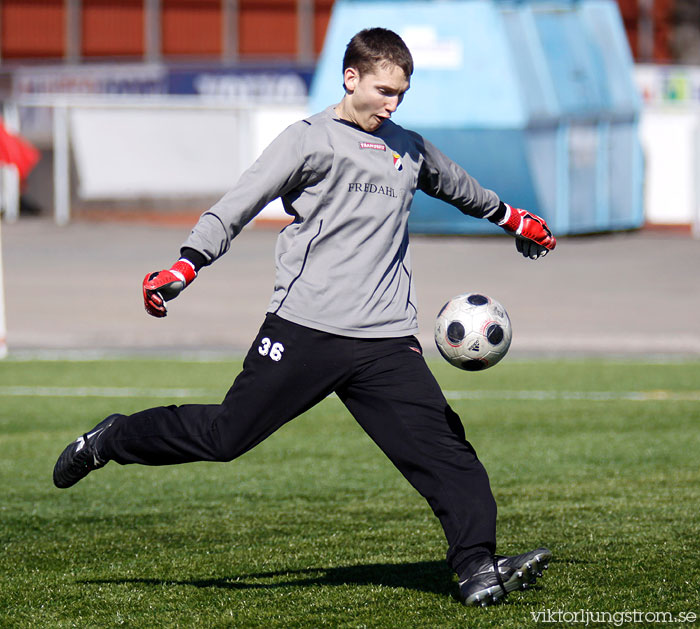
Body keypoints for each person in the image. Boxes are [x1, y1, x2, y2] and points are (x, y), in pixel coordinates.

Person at [53, 27, 555, 607]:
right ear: (352, 78)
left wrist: (512, 219)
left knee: (447, 452)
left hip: (385, 339)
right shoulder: (308, 140)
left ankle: (476, 568)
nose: (392, 104)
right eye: (384, 91)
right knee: (225, 437)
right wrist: (185, 265)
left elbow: (459, 186)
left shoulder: (407, 147)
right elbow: (237, 205)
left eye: (402, 94)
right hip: (305, 328)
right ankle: (112, 438)